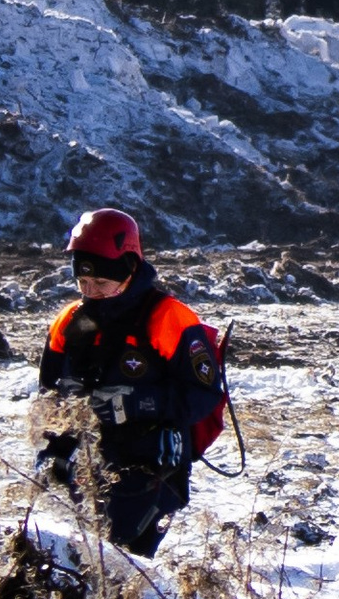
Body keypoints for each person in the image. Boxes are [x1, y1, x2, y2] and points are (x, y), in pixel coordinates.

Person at [36, 206, 226, 556]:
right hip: (87, 467)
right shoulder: (68, 322)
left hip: (154, 470)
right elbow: (50, 397)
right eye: (83, 283)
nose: (91, 292)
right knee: (79, 560)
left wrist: (135, 402)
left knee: (124, 562)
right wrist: (55, 450)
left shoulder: (170, 318)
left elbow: (204, 395)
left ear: (129, 268)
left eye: (101, 284)